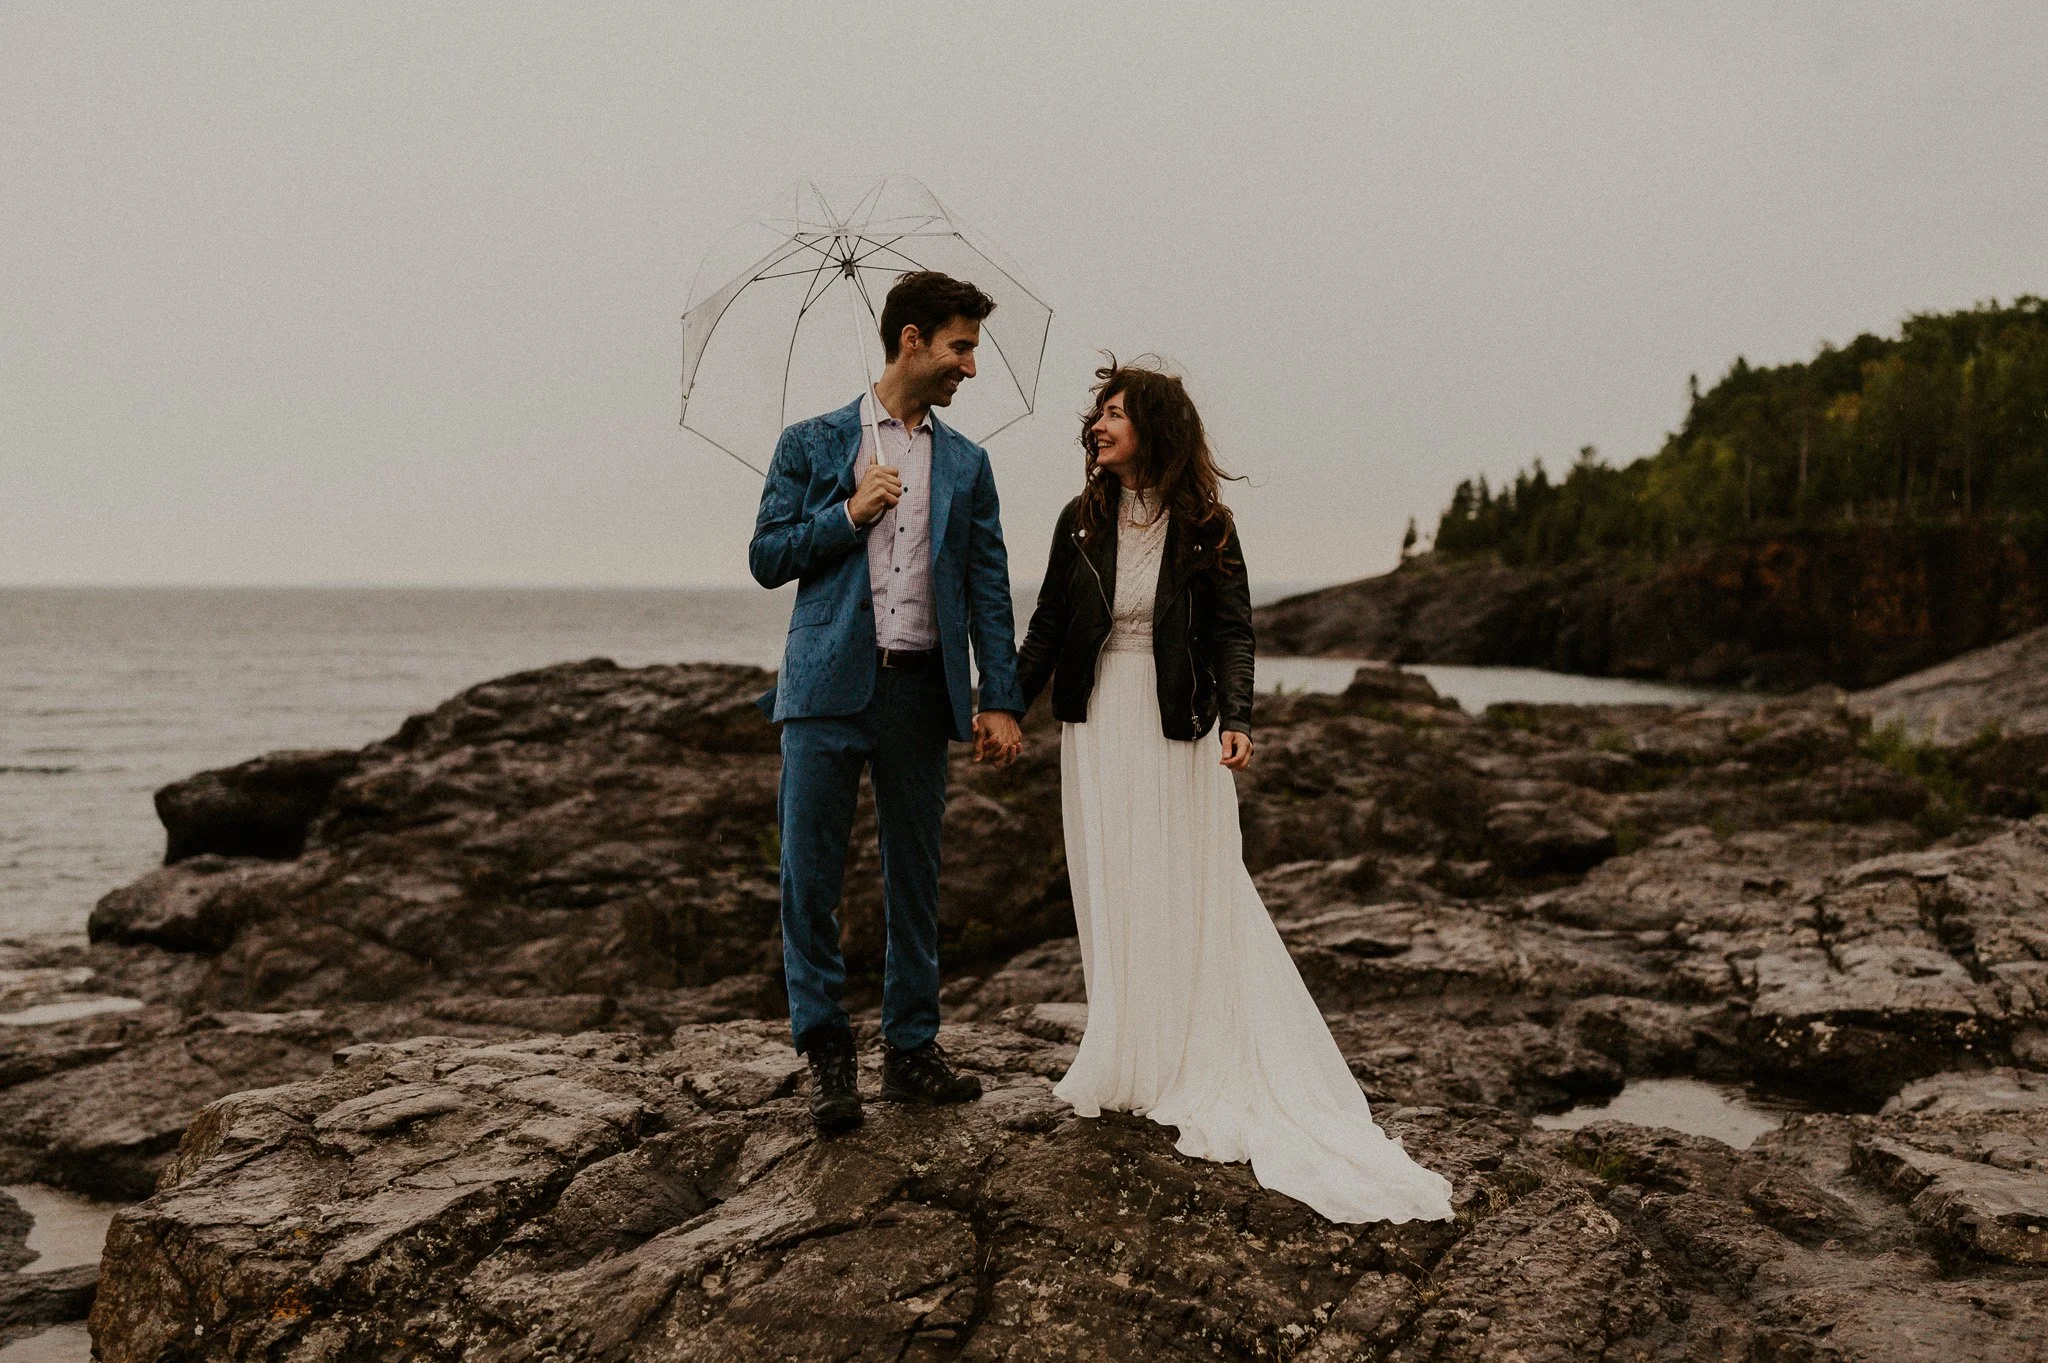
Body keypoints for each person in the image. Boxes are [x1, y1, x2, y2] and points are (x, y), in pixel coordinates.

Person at [1015, 357, 1457, 1224]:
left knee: (1180, 880)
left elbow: (1233, 630)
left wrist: (1239, 717)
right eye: (1096, 413)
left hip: (1174, 721)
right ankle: (1130, 1054)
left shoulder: (1207, 524)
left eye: (1115, 412)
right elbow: (1049, 626)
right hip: (1096, 718)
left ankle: (1187, 1056)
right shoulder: (1080, 519)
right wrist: (1001, 703)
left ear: (1156, 427)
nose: (1097, 425)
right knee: (1115, 880)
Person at [749, 270, 1027, 1136]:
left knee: (917, 876)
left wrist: (1000, 699)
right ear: (912, 339)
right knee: (808, 877)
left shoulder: (968, 465)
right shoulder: (811, 441)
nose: (970, 368)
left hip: (920, 693)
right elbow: (766, 555)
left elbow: (989, 587)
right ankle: (826, 1051)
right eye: (961, 346)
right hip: (825, 690)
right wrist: (848, 510)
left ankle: (911, 1050)